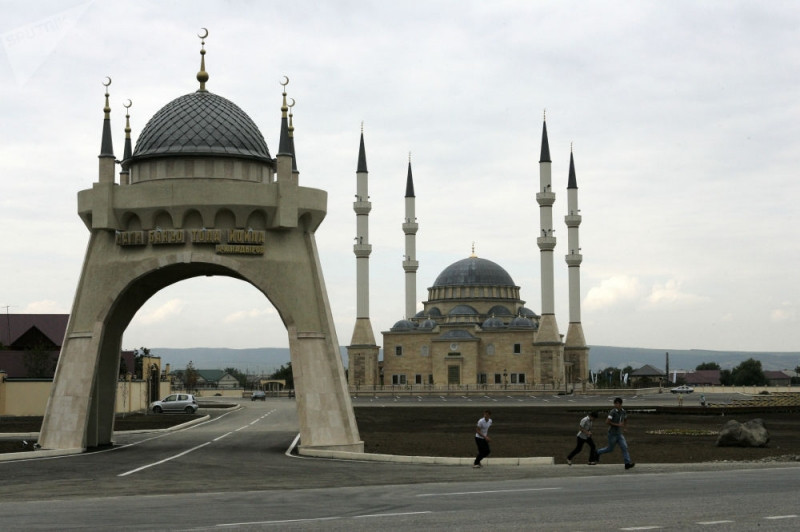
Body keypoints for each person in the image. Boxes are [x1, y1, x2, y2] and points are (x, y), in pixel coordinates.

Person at [596, 397, 635, 470]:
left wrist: (625, 427)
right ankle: (598, 452)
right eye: (615, 403)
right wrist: (618, 425)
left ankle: (627, 464)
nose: (615, 405)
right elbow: (607, 422)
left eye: (617, 403)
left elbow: (625, 419)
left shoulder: (623, 411)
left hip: (619, 434)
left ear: (620, 404)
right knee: (610, 449)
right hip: (612, 434)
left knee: (624, 447)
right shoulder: (612, 412)